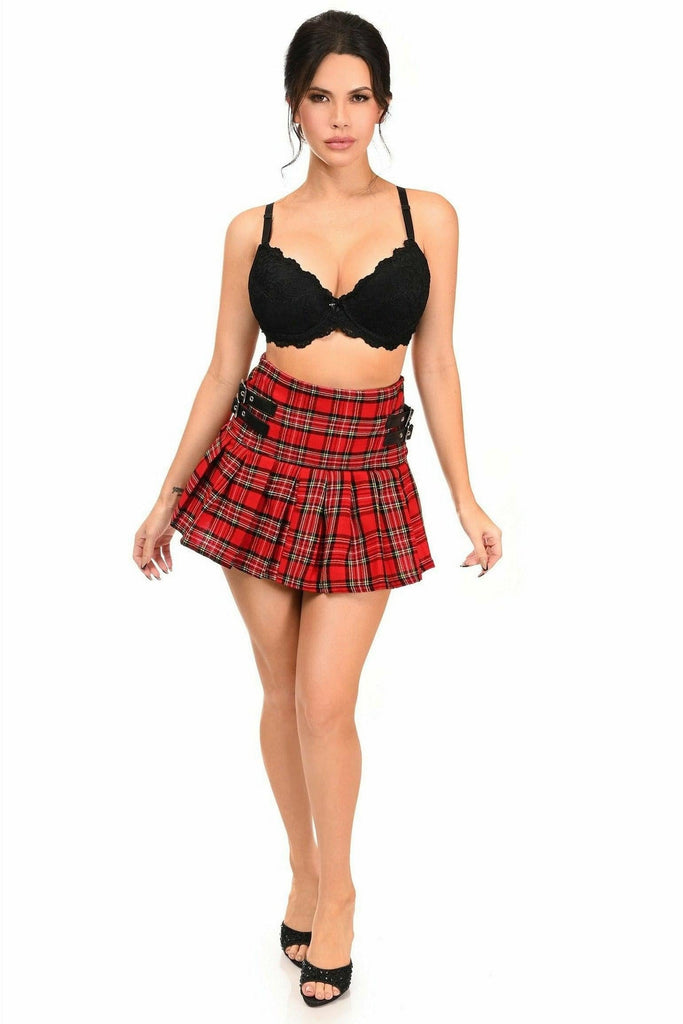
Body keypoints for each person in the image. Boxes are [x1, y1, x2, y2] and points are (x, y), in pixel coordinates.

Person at [132, 9, 502, 1008]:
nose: (339, 117)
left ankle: (335, 896)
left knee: (326, 701)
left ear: (382, 105)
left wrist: (464, 495)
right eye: (320, 97)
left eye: (358, 96)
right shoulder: (250, 230)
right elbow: (222, 369)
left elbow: (435, 361)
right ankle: (302, 869)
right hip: (258, 463)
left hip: (364, 469)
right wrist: (166, 496)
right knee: (282, 691)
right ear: (293, 107)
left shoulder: (429, 218)